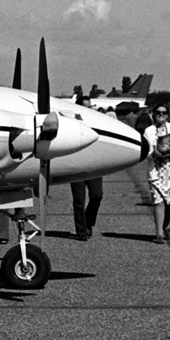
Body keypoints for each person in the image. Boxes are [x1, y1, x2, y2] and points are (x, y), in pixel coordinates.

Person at [143, 106, 170, 243]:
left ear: (168, 115)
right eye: (158, 113)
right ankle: (159, 234)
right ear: (153, 115)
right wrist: (152, 154)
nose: (161, 115)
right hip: (156, 170)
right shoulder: (149, 131)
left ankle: (164, 226)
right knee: (159, 201)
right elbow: (145, 152)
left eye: (164, 113)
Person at [69, 95, 103, 241]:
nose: (89, 110)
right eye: (85, 107)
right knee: (79, 199)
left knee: (97, 195)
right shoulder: (71, 122)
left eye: (90, 107)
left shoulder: (99, 122)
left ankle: (88, 221)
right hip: (77, 165)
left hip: (93, 164)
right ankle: (81, 231)